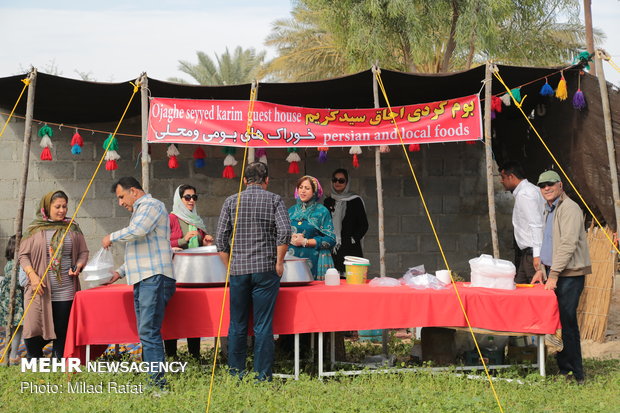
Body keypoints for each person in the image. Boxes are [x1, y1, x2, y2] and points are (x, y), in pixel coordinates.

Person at [215, 162, 291, 381]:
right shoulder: (275, 200)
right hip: (266, 270)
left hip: (239, 271)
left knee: (237, 324)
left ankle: (236, 373)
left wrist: (230, 266)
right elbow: (285, 232)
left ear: (245, 180)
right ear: (266, 180)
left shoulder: (230, 201)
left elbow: (220, 240)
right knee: (263, 325)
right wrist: (279, 262)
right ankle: (262, 376)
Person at [102, 177, 175, 389]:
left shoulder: (151, 205)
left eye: (121, 196)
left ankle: (158, 385)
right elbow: (140, 250)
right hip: (144, 278)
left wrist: (111, 237)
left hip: (154, 278)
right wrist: (119, 272)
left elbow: (138, 231)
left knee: (149, 331)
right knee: (146, 332)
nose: (120, 202)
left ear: (134, 191)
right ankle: (152, 380)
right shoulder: (140, 211)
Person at [532, 170, 591, 384]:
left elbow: (567, 244)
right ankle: (564, 369)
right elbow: (549, 243)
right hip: (555, 272)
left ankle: (577, 374)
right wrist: (542, 270)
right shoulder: (550, 209)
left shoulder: (570, 208)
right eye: (542, 185)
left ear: (560, 185)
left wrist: (554, 274)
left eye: (550, 184)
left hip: (569, 274)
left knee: (567, 322)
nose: (546, 188)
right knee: (557, 321)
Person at [19, 191, 89, 360]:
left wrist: (78, 265)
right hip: (39, 289)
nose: (62, 210)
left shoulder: (72, 228)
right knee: (32, 329)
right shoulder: (34, 229)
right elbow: (23, 255)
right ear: (46, 207)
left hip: (65, 289)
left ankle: (59, 364)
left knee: (63, 330)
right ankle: (34, 362)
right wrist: (33, 277)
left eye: (64, 206)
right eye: (57, 207)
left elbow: (83, 252)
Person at [165, 184, 213, 360]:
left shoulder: (196, 221)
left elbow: (200, 246)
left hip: (195, 275)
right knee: (173, 314)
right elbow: (161, 243)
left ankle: (195, 354)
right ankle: (171, 355)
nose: (191, 201)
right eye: (187, 197)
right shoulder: (170, 219)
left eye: (194, 197)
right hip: (175, 274)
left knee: (194, 315)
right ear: (179, 199)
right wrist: (182, 241)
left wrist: (206, 242)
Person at [499, 161, 545, 284]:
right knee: (519, 288)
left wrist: (537, 255)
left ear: (511, 177)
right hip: (528, 254)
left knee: (535, 293)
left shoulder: (525, 194)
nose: (501, 181)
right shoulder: (531, 190)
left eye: (503, 177)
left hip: (532, 254)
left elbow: (536, 224)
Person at [288, 175, 336, 280]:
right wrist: (289, 238)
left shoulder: (322, 211)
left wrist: (306, 241)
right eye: (300, 187)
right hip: (291, 263)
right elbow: (278, 234)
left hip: (313, 261)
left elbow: (331, 240)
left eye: (307, 188)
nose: (303, 191)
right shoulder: (291, 211)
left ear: (314, 191)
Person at [323, 168, 369, 274]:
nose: (337, 183)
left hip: (350, 248)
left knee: (350, 278)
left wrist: (353, 239)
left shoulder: (355, 200)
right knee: (332, 279)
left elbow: (364, 225)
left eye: (341, 180)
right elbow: (324, 224)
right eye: (335, 180)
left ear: (347, 182)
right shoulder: (328, 201)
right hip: (332, 247)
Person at [1, 236, 24, 364]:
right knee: (17, 328)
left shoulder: (9, 263)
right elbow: (20, 282)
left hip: (8, 300)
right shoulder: (17, 265)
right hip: (15, 300)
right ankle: (13, 356)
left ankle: (9, 354)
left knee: (10, 328)